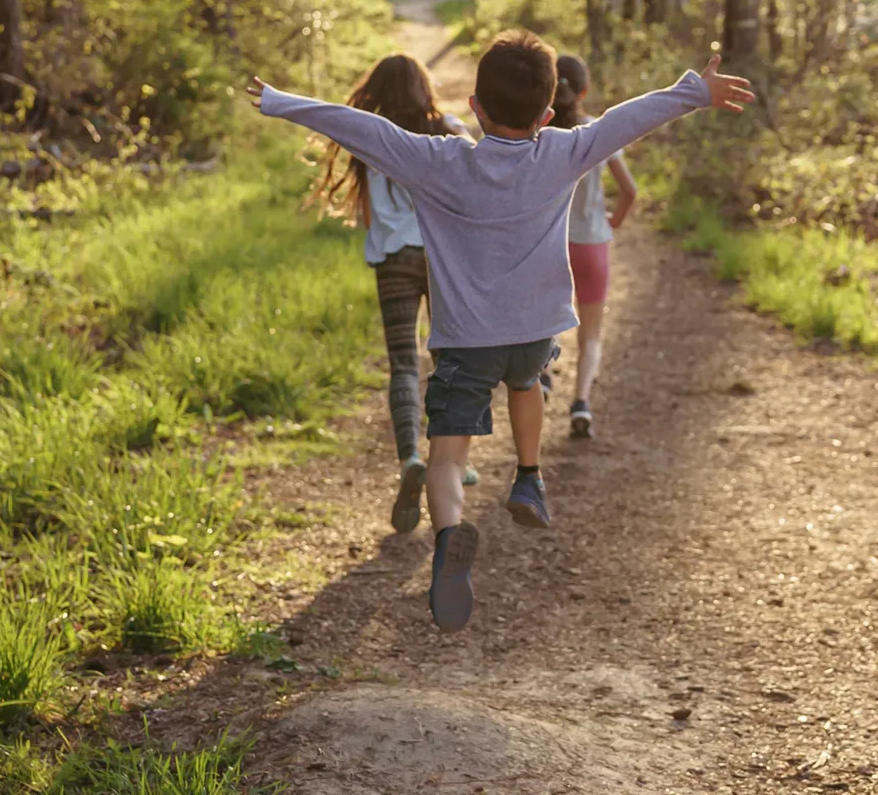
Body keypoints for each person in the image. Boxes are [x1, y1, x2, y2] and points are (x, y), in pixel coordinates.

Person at [247, 33, 753, 633]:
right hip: (533, 332)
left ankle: (450, 536)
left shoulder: (439, 160)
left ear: (475, 107)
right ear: (546, 113)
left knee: (447, 455)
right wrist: (694, 91)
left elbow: (360, 129)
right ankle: (530, 476)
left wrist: (281, 100)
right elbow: (627, 120)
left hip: (465, 340)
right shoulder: (564, 151)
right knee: (529, 381)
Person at [306, 54, 468, 536]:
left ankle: (411, 458)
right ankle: (450, 460)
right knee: (450, 358)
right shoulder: (448, 128)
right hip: (441, 260)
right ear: (424, 87)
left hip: (394, 260)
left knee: (403, 362)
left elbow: (367, 208)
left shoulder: (370, 135)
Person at [552, 55, 636, 440]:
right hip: (591, 243)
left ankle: (540, 376)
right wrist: (611, 223)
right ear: (583, 91)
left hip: (550, 243)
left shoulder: (541, 134)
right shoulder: (596, 132)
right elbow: (629, 191)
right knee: (592, 331)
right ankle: (581, 401)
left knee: (544, 319)